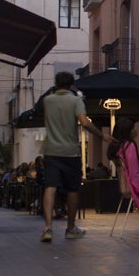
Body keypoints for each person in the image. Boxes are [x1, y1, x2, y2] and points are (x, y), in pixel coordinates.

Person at [39, 71, 112, 242]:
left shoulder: (47, 100)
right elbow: (85, 122)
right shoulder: (75, 100)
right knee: (73, 189)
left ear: (56, 84)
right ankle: (70, 228)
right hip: (70, 151)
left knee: (50, 187)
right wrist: (102, 136)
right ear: (71, 85)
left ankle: (48, 228)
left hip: (50, 150)